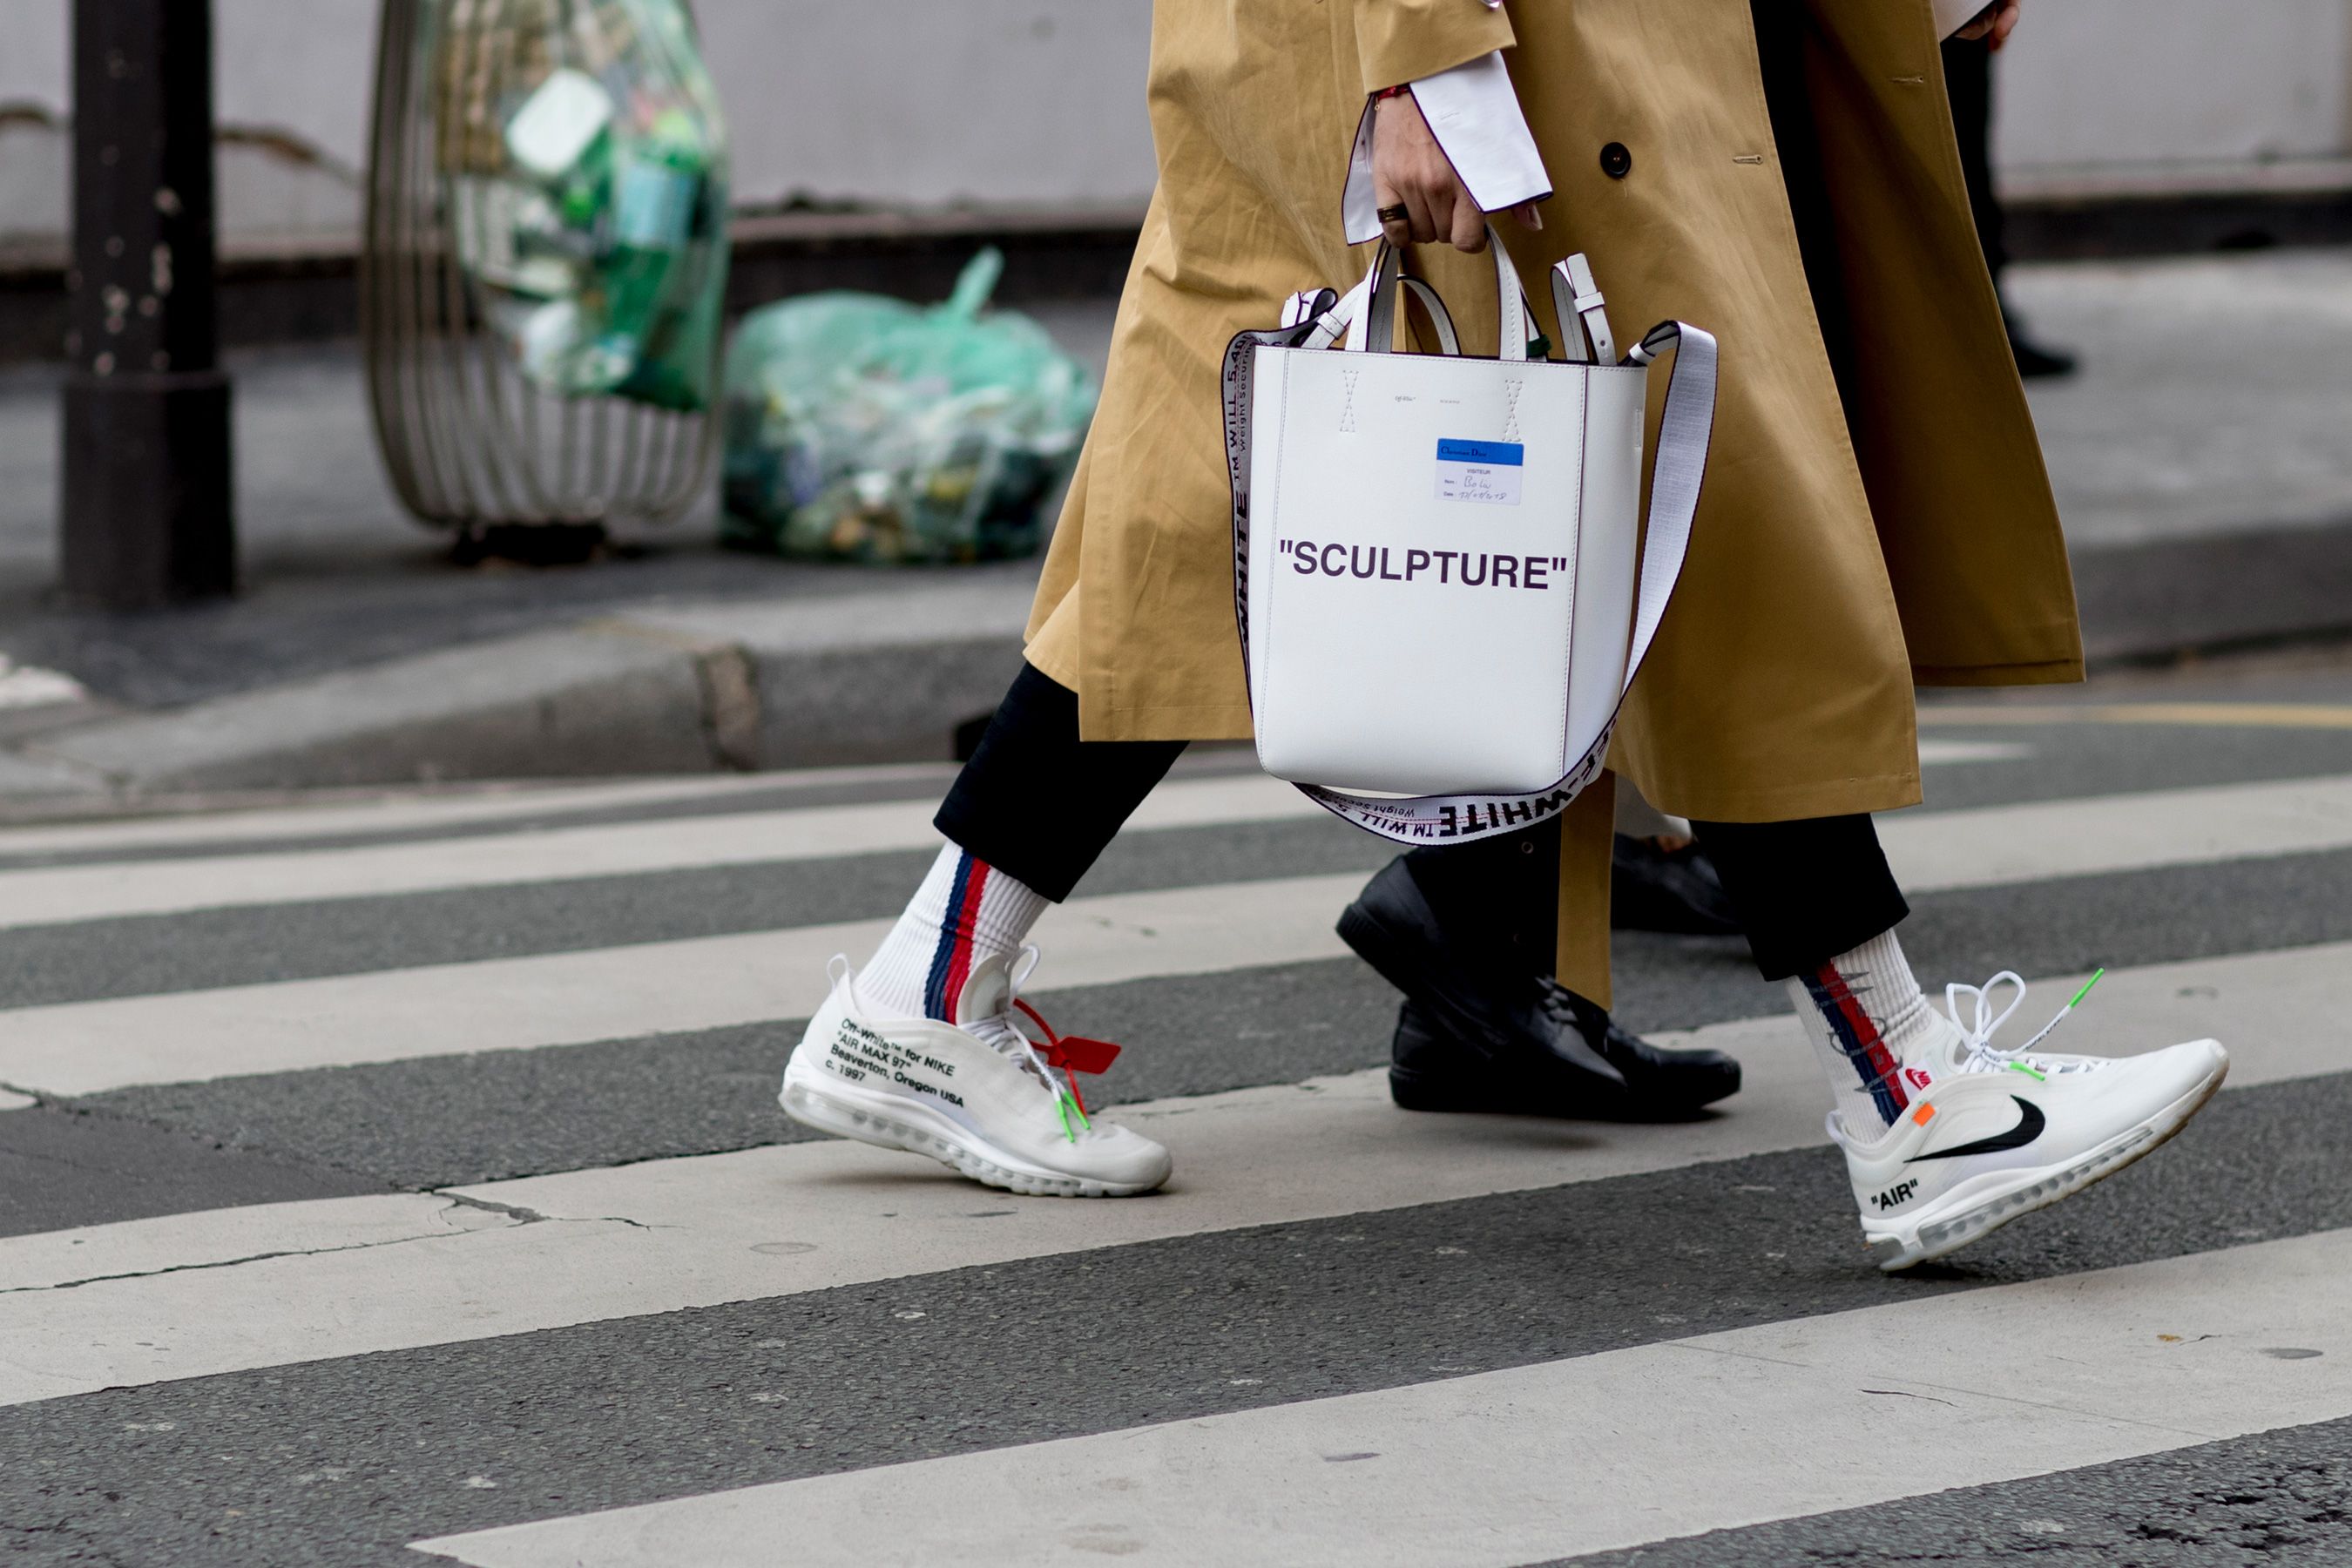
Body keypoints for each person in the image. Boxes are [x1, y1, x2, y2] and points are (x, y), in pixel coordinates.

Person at [780, 0, 2228, 1270]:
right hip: (1489, 49)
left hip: (1507, 46)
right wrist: (1420, 55)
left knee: (1230, 515)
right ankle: (1906, 1084)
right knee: (1689, 519)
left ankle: (929, 987)